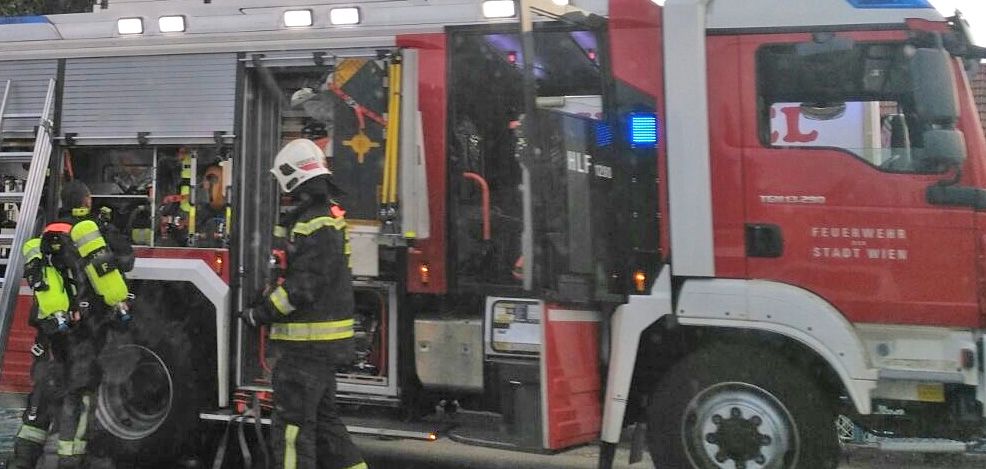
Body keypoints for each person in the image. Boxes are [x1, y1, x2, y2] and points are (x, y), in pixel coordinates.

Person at [241, 139, 367, 469]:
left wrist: (260, 313)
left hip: (305, 350)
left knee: (292, 432)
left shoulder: (314, 220)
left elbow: (302, 287)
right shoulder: (325, 216)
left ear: (293, 176)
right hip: (319, 349)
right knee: (327, 429)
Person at [11, 180, 134, 469]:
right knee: (79, 394)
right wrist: (111, 229)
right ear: (87, 201)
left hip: (50, 328)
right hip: (83, 330)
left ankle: (22, 460)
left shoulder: (48, 231)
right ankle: (70, 459)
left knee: (43, 391)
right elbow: (125, 261)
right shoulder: (92, 232)